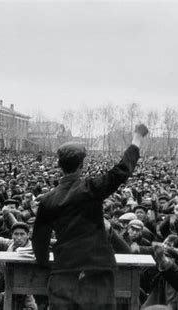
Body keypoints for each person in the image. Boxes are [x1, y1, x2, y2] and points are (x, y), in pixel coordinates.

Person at [32, 124, 148, 310]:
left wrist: (49, 264)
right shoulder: (91, 189)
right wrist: (136, 139)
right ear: (81, 166)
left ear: (59, 165)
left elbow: (39, 243)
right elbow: (122, 170)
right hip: (97, 275)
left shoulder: (47, 201)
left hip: (63, 275)